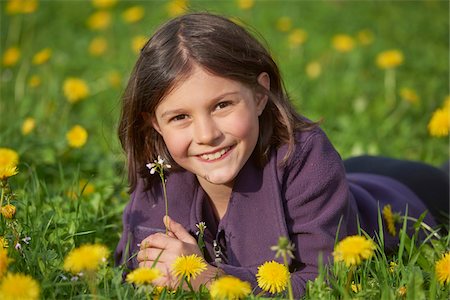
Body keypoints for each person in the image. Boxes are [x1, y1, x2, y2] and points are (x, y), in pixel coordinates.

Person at [115, 12, 448, 297]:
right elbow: (129, 269)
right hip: (340, 181)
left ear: (260, 94)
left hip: (404, 193)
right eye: (180, 117)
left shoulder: (306, 157)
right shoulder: (159, 172)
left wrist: (207, 279)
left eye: (222, 105)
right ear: (155, 124)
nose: (206, 135)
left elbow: (323, 283)